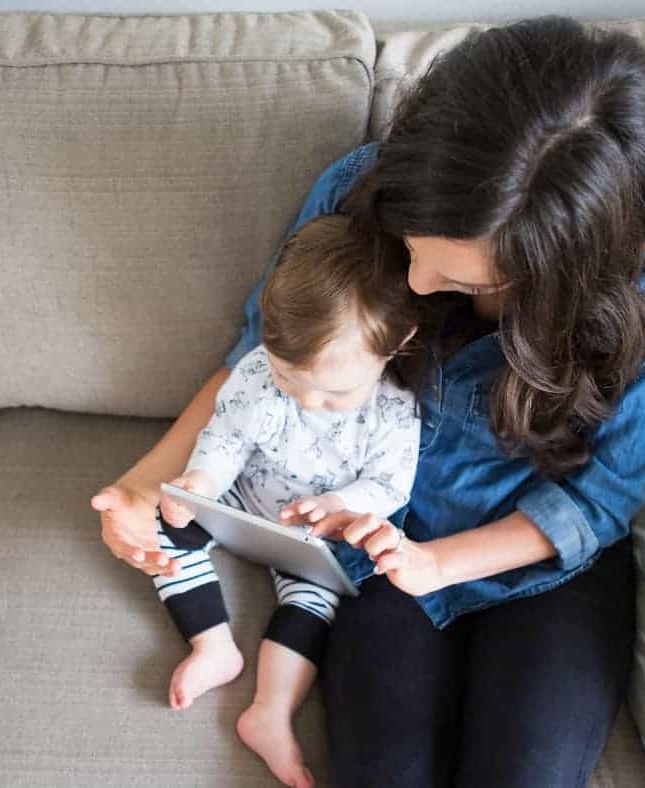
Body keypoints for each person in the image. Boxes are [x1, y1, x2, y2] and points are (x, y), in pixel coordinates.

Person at [94, 16, 645, 788]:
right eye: (412, 247)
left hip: (541, 564)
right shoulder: (356, 192)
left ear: (561, 273)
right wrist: (150, 486)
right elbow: (260, 365)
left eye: (463, 283)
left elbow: (603, 498)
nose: (412, 287)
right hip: (378, 555)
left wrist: (434, 562)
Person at [140, 214, 420, 787]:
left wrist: (341, 503)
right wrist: (202, 481)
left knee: (317, 604)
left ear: (395, 347)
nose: (308, 401)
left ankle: (269, 711)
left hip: (314, 540)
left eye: (333, 391)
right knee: (164, 520)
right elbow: (226, 437)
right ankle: (213, 645)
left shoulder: (392, 411)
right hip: (243, 500)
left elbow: (391, 486)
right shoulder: (255, 375)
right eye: (290, 378)